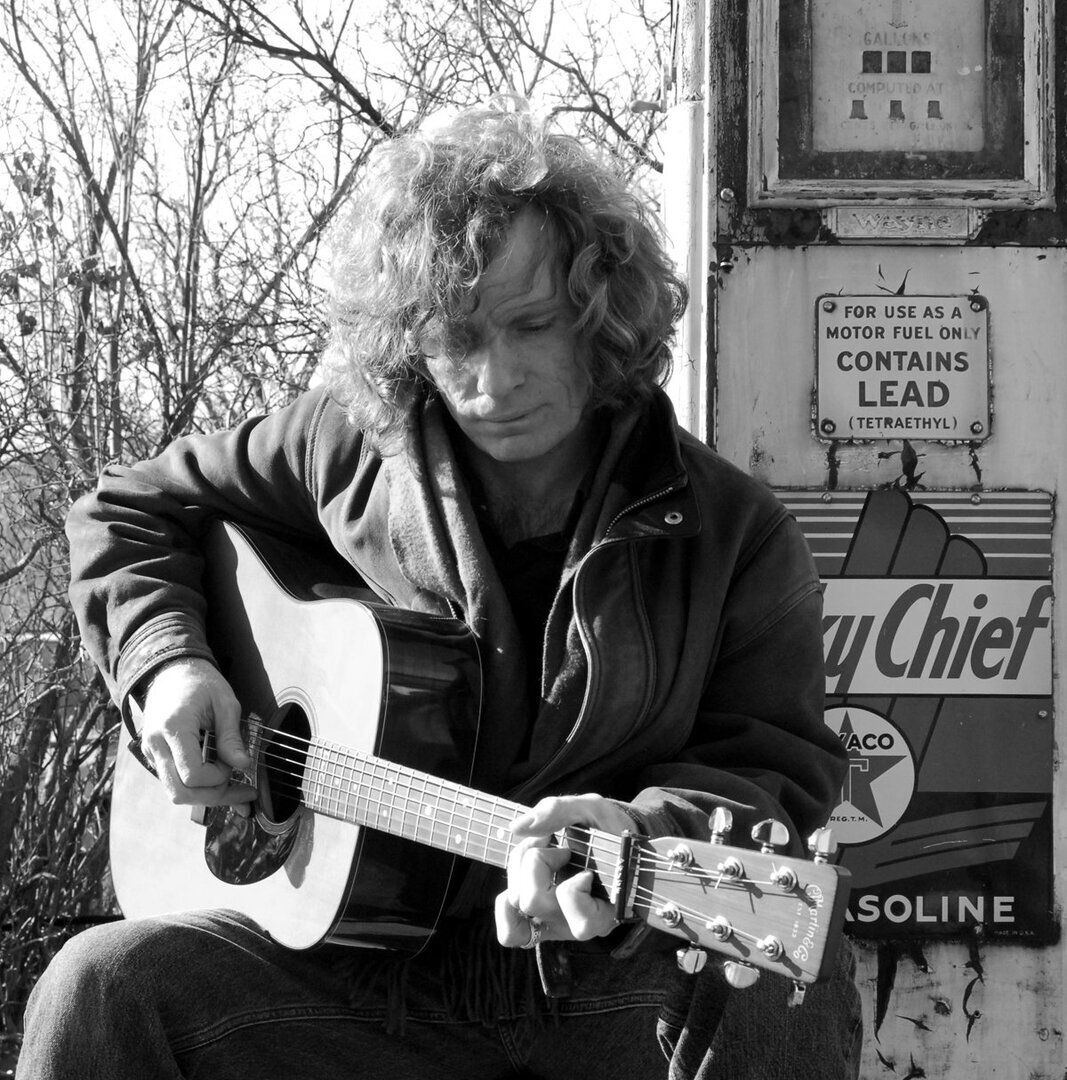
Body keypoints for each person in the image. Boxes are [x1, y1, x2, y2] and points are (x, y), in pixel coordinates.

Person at [19, 98, 861, 1079]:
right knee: (98, 984)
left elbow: (767, 775)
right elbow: (126, 510)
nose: (493, 382)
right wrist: (168, 666)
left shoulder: (730, 533)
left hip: (599, 982)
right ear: (406, 336)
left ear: (601, 314)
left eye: (531, 326)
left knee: (790, 960)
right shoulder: (346, 446)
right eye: (456, 337)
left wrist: (641, 829)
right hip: (349, 986)